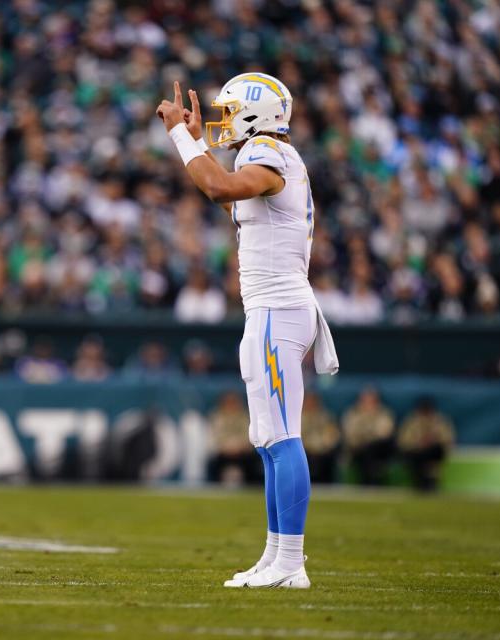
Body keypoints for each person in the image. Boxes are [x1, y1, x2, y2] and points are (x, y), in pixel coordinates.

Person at [158, 74, 339, 589]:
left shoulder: (266, 152)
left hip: (277, 311)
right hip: (271, 310)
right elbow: (224, 194)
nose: (223, 120)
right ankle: (275, 554)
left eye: (230, 109)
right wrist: (193, 141)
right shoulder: (266, 153)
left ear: (255, 114)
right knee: (266, 439)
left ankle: (291, 562)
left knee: (282, 437)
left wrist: (180, 137)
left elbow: (218, 187)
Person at [397, 397, 456, 492]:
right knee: (415, 455)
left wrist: (432, 441)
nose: (425, 414)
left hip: (433, 452)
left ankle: (428, 480)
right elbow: (403, 441)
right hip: (416, 453)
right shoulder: (412, 421)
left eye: (427, 411)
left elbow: (447, 440)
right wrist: (418, 443)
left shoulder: (440, 421)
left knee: (432, 451)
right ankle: (423, 480)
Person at [342, 387, 396, 485]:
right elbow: (350, 433)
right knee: (362, 451)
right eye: (365, 399)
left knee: (372, 448)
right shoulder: (353, 413)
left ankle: (374, 480)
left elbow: (384, 433)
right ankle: (367, 482)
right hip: (357, 448)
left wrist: (366, 434)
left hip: (379, 449)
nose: (368, 403)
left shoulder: (384, 413)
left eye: (371, 400)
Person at [208, 391, 260, 488]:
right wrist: (227, 448)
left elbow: (249, 436)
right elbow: (215, 437)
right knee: (213, 463)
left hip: (242, 452)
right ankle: (214, 487)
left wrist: (239, 448)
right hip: (223, 453)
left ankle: (252, 487)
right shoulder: (217, 417)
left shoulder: (244, 417)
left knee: (253, 462)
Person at [300, 392, 340, 484]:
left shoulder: (325, 416)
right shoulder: (298, 418)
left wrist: (323, 445)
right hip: (305, 450)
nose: (311, 404)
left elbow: (332, 434)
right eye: (308, 401)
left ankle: (328, 484)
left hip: (323, 450)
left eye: (313, 401)